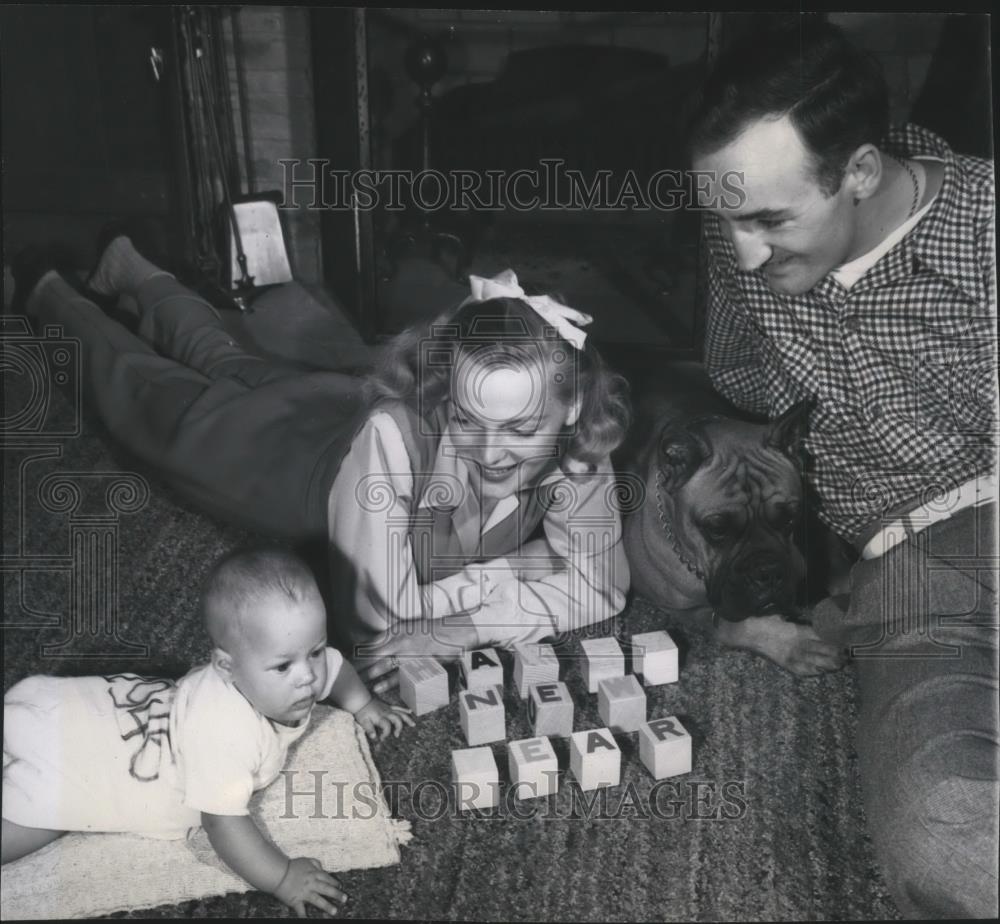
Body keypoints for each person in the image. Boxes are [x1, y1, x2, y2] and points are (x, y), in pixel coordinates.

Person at [687, 17, 997, 920]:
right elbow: (739, 376)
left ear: (860, 172)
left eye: (770, 221)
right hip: (909, 579)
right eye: (724, 217)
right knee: (944, 840)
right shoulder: (743, 253)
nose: (743, 252)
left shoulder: (985, 229)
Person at [12, 242, 631, 693]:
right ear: (447, 394)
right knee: (152, 402)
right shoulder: (396, 436)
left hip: (333, 406)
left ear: (572, 405)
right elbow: (381, 625)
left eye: (523, 429)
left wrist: (461, 629)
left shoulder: (581, 446)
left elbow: (603, 587)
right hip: (296, 468)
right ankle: (49, 293)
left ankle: (138, 271)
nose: (493, 453)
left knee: (230, 362)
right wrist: (528, 565)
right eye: (469, 421)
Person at [2, 546, 413, 916]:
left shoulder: (293, 670)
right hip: (90, 761)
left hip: (94, 711)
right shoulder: (224, 732)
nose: (308, 676)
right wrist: (282, 877)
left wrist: (363, 704)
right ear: (226, 667)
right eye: (284, 666)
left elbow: (336, 669)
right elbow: (222, 825)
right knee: (48, 809)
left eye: (315, 651)